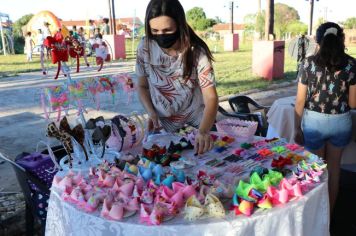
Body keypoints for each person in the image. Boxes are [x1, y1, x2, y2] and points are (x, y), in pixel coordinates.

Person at [135, 0, 218, 154]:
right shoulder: (145, 48)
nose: (161, 36)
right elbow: (142, 86)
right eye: (155, 30)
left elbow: (211, 98)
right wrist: (151, 112)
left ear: (179, 25)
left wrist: (204, 131)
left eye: (167, 30)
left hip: (199, 125)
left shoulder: (196, 52)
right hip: (164, 129)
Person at [294, 22, 356, 214]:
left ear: (317, 40)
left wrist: (297, 128)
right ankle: (329, 214)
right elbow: (353, 104)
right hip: (341, 122)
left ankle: (313, 215)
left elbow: (300, 100)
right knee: (334, 169)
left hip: (314, 122)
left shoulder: (308, 63)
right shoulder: (352, 64)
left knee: (314, 170)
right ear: (342, 39)